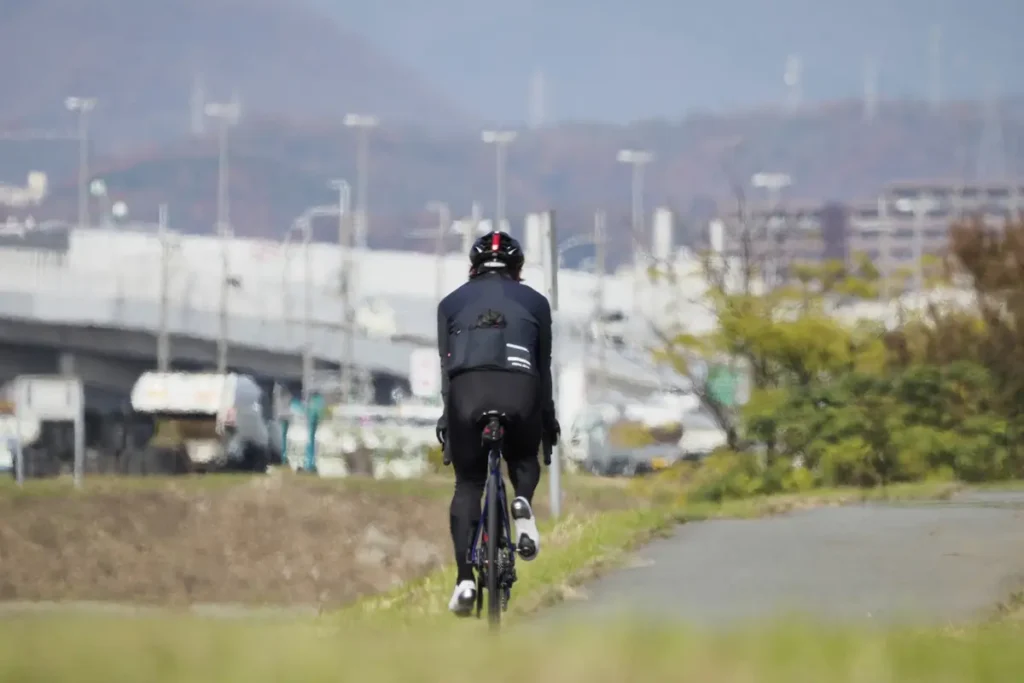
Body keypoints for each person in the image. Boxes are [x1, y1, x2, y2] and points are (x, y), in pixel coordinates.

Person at [435, 229, 560, 616]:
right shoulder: (537, 303)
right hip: (520, 386)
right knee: (523, 459)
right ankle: (521, 500)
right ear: (517, 270)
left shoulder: (450, 303)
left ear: (473, 270)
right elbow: (544, 368)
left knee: (468, 482)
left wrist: (447, 418)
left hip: (467, 390)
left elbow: (446, 367)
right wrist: (548, 421)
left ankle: (465, 582)